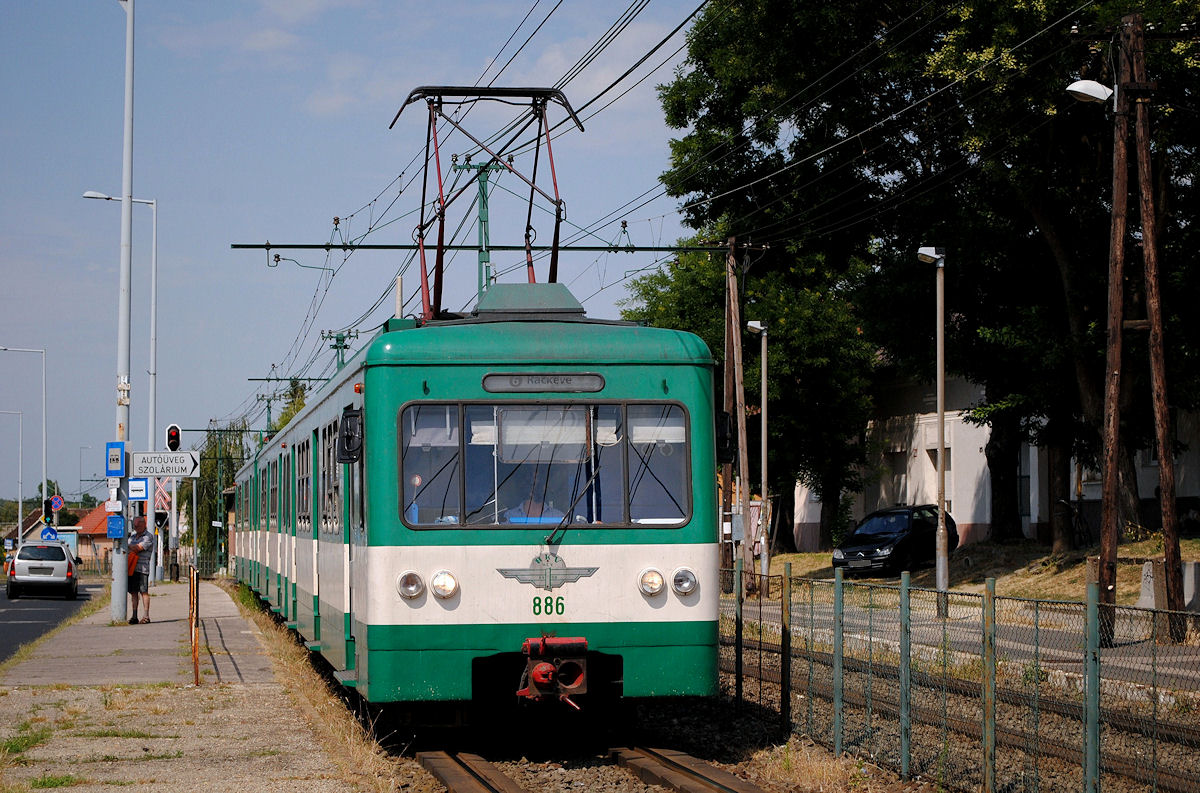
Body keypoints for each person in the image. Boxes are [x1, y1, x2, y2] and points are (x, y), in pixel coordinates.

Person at [127, 516, 154, 624]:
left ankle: (146, 616)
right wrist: (130, 546)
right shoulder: (132, 537)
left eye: (138, 525)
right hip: (132, 568)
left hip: (142, 569)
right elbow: (130, 547)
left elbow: (138, 548)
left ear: (144, 524)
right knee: (133, 592)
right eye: (135, 525)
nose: (136, 527)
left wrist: (129, 546)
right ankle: (134, 616)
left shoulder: (148, 537)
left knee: (144, 591)